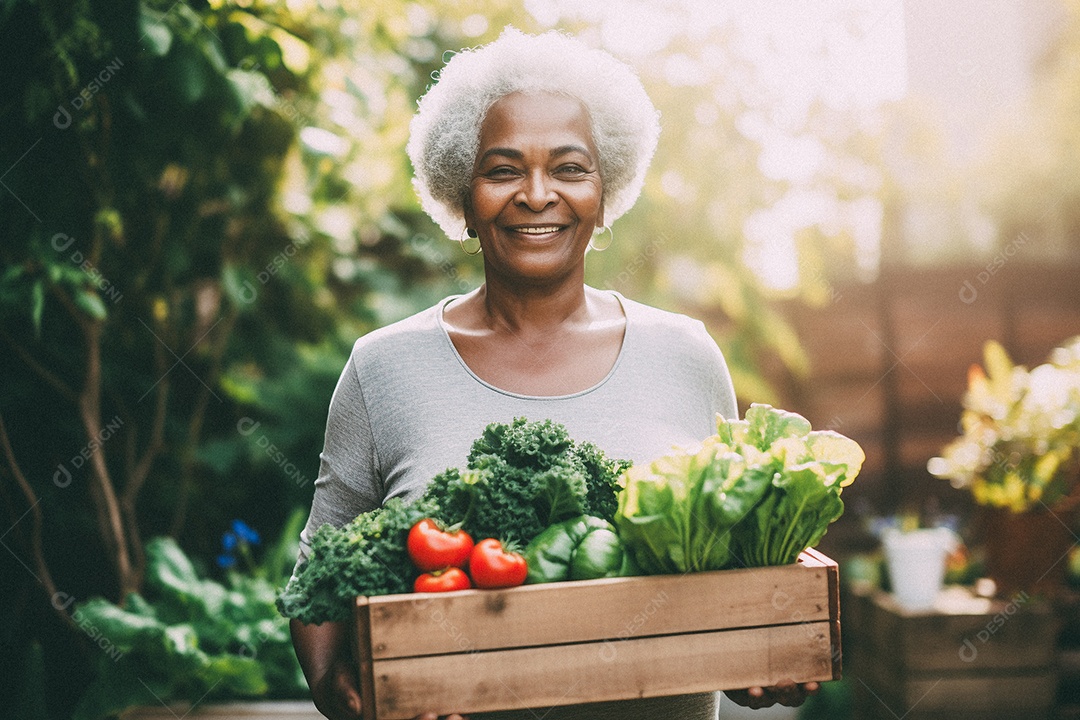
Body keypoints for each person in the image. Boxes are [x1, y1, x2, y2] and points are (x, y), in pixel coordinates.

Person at [289, 28, 818, 720]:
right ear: (461, 191)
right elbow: (319, 573)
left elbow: (733, 568)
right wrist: (338, 689)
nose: (537, 195)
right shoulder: (383, 367)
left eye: (570, 168)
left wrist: (759, 654)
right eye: (503, 169)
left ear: (606, 191)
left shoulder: (685, 355)